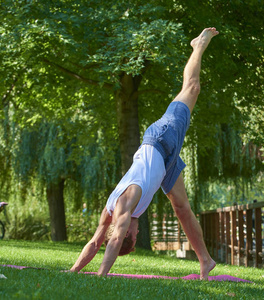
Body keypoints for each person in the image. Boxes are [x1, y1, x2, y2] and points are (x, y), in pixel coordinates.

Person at [70, 28, 219, 279]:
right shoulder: (109, 213)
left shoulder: (126, 203)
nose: (137, 233)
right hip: (164, 164)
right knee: (181, 206)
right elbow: (97, 243)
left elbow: (115, 238)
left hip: (161, 139)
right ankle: (206, 260)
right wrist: (74, 270)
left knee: (192, 88)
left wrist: (101, 275)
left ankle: (198, 45)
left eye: (134, 235)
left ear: (127, 230)